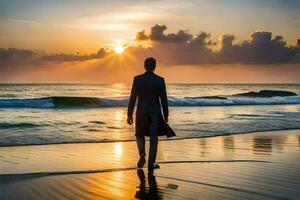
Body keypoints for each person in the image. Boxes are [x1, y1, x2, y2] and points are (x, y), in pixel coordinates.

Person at [127, 57, 175, 172]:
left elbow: (133, 98)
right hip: (155, 112)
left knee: (139, 134)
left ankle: (142, 154)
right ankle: (151, 164)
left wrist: (129, 114)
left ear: (144, 66)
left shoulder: (137, 79)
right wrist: (166, 114)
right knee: (153, 137)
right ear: (155, 66)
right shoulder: (160, 80)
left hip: (141, 111)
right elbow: (164, 99)